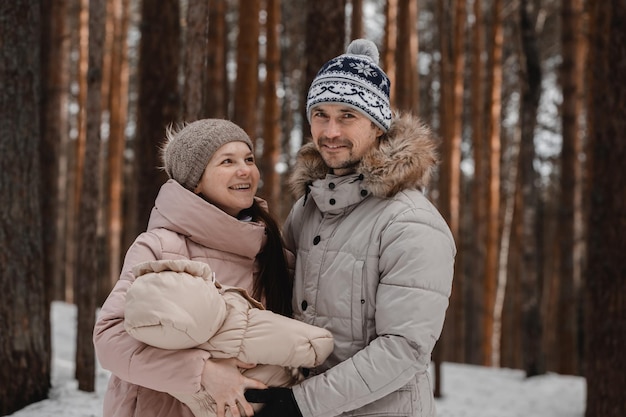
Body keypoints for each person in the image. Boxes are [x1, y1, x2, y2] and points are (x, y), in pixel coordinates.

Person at [245, 39, 456, 417]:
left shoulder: (411, 222)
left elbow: (404, 350)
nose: (330, 131)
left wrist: (301, 403)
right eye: (320, 114)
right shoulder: (309, 208)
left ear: (377, 126)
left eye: (347, 116)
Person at [93, 119, 317, 417]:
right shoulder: (162, 246)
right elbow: (110, 339)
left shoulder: (271, 249)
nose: (245, 170)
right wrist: (203, 372)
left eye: (249, 159)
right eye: (227, 161)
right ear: (195, 181)